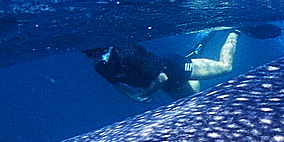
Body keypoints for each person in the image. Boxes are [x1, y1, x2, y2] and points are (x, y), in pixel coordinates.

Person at [84, 28, 241, 102]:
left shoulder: (128, 54)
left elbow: (162, 78)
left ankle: (234, 31)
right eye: (91, 54)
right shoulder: (100, 66)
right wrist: (132, 96)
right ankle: (195, 53)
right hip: (165, 83)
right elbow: (115, 83)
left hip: (175, 68)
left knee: (225, 67)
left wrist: (144, 94)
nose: (98, 57)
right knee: (193, 100)